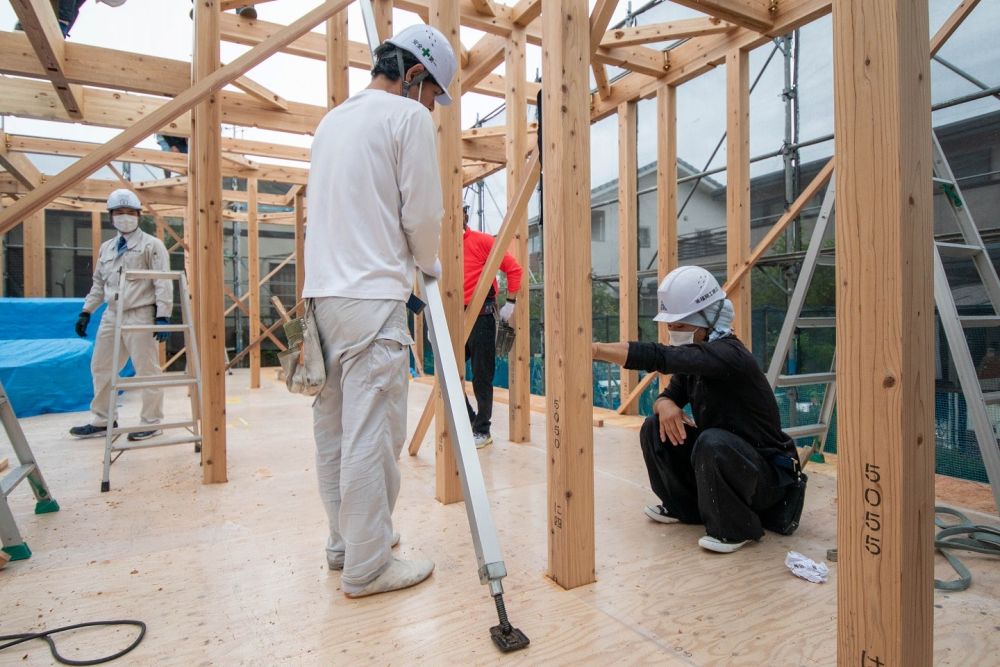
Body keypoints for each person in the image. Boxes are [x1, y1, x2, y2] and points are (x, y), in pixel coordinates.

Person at [304, 24, 456, 598]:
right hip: (373, 298)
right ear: (415, 74)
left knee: (334, 429)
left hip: (324, 299)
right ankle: (369, 568)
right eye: (432, 92)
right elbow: (419, 212)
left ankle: (346, 544)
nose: (431, 107)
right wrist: (428, 262)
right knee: (371, 434)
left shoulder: (331, 122)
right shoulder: (406, 118)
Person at [592, 265, 804, 554]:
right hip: (728, 465)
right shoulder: (698, 360)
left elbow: (662, 357)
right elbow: (668, 395)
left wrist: (595, 350)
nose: (672, 332)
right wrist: (665, 405)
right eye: (671, 325)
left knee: (712, 440)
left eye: (680, 326)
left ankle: (736, 529)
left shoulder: (729, 355)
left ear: (708, 320)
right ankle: (684, 509)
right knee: (654, 427)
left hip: (764, 480)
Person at [71, 189, 172, 442]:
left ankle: (152, 421)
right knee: (101, 366)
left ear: (138, 215)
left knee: (146, 369)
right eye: (119, 213)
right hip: (112, 314)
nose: (124, 217)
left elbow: (163, 282)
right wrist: (86, 311)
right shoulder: (107, 249)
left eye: (129, 212)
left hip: (140, 313)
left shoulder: (152, 245)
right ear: (111, 217)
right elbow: (98, 284)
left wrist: (163, 315)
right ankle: (103, 419)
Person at [462, 204, 522, 448]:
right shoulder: (440, 247)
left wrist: (510, 302)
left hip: (483, 318)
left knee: (481, 376)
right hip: (456, 317)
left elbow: (514, 268)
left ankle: (482, 431)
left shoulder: (482, 242)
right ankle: (470, 422)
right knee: (449, 374)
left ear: (465, 215)